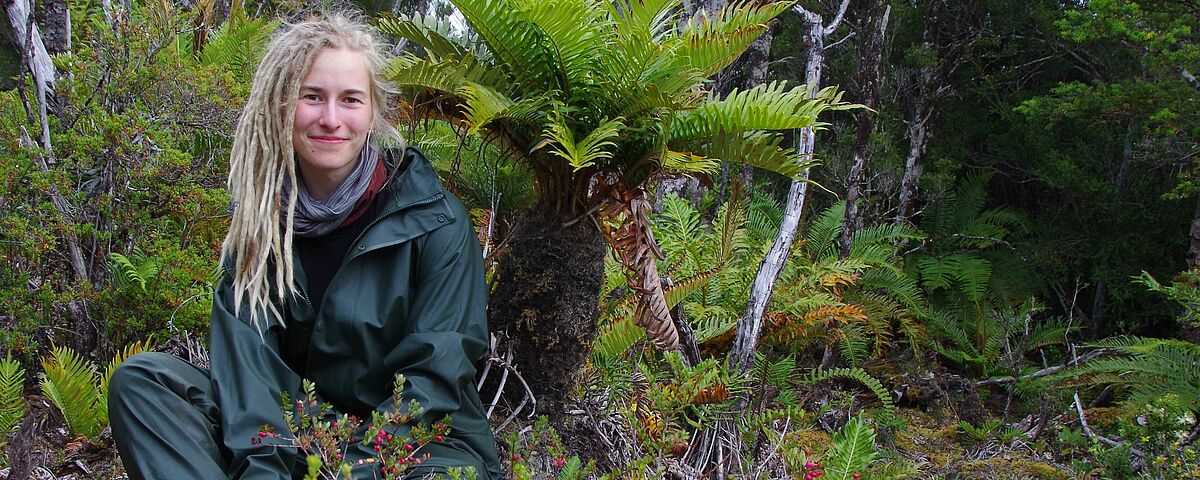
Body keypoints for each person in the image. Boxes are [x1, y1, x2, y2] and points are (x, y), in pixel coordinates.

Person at [108, 13, 502, 479]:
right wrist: (266, 469)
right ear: (281, 105)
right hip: (296, 430)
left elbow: (435, 378)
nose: (330, 119)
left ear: (373, 113)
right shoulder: (259, 225)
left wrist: (350, 468)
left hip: (417, 445)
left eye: (350, 99)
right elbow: (250, 376)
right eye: (312, 96)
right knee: (145, 383)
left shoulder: (436, 221)